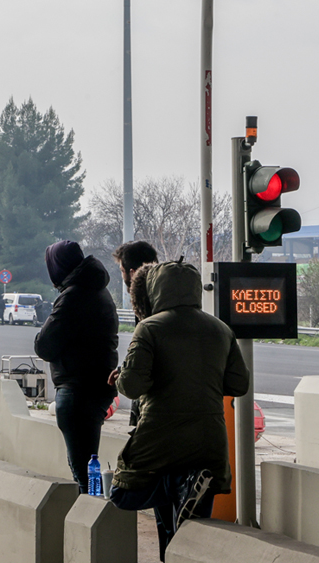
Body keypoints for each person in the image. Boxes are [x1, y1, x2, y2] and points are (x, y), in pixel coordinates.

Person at [108, 260, 248, 561]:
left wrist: (121, 377)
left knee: (122, 492)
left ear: (156, 289)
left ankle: (181, 486)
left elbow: (132, 386)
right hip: (209, 441)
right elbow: (239, 383)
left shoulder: (150, 328)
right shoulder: (221, 329)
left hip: (160, 435)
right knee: (193, 532)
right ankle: (186, 487)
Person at [33, 240, 120, 490]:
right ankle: (93, 512)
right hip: (97, 387)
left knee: (82, 470)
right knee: (88, 461)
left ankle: (91, 516)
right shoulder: (98, 290)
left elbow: (45, 346)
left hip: (76, 390)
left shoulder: (73, 297)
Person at [112, 241, 159, 430]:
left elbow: (134, 382)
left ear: (133, 273)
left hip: (154, 410)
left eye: (122, 271)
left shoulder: (146, 309)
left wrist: (125, 374)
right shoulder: (172, 299)